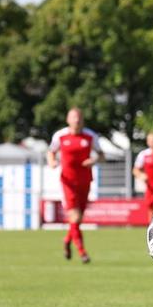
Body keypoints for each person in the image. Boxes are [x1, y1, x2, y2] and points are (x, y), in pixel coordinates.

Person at [46, 107, 105, 264]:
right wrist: (51, 161)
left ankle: (67, 240)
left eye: (79, 117)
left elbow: (101, 155)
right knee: (75, 216)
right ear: (68, 119)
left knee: (77, 220)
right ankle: (82, 252)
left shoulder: (90, 136)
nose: (76, 120)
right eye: (73, 117)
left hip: (85, 181)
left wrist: (93, 160)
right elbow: (51, 151)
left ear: (82, 119)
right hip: (68, 182)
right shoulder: (60, 135)